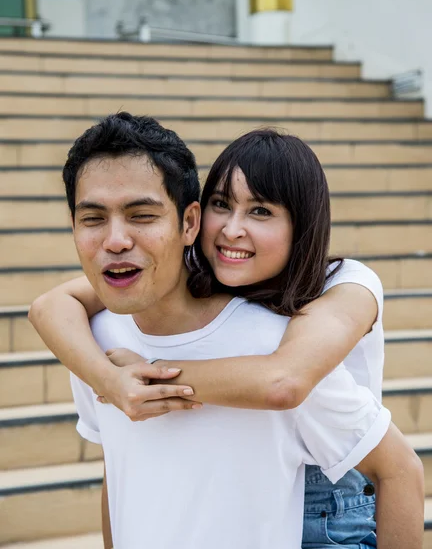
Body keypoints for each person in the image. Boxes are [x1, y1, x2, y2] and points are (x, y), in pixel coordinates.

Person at [29, 113, 424, 549]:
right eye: (222, 204)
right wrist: (108, 379)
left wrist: (144, 378)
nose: (232, 229)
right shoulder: (124, 318)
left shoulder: (342, 286)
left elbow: (284, 380)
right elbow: (50, 307)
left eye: (260, 211)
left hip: (335, 500)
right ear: (199, 219)